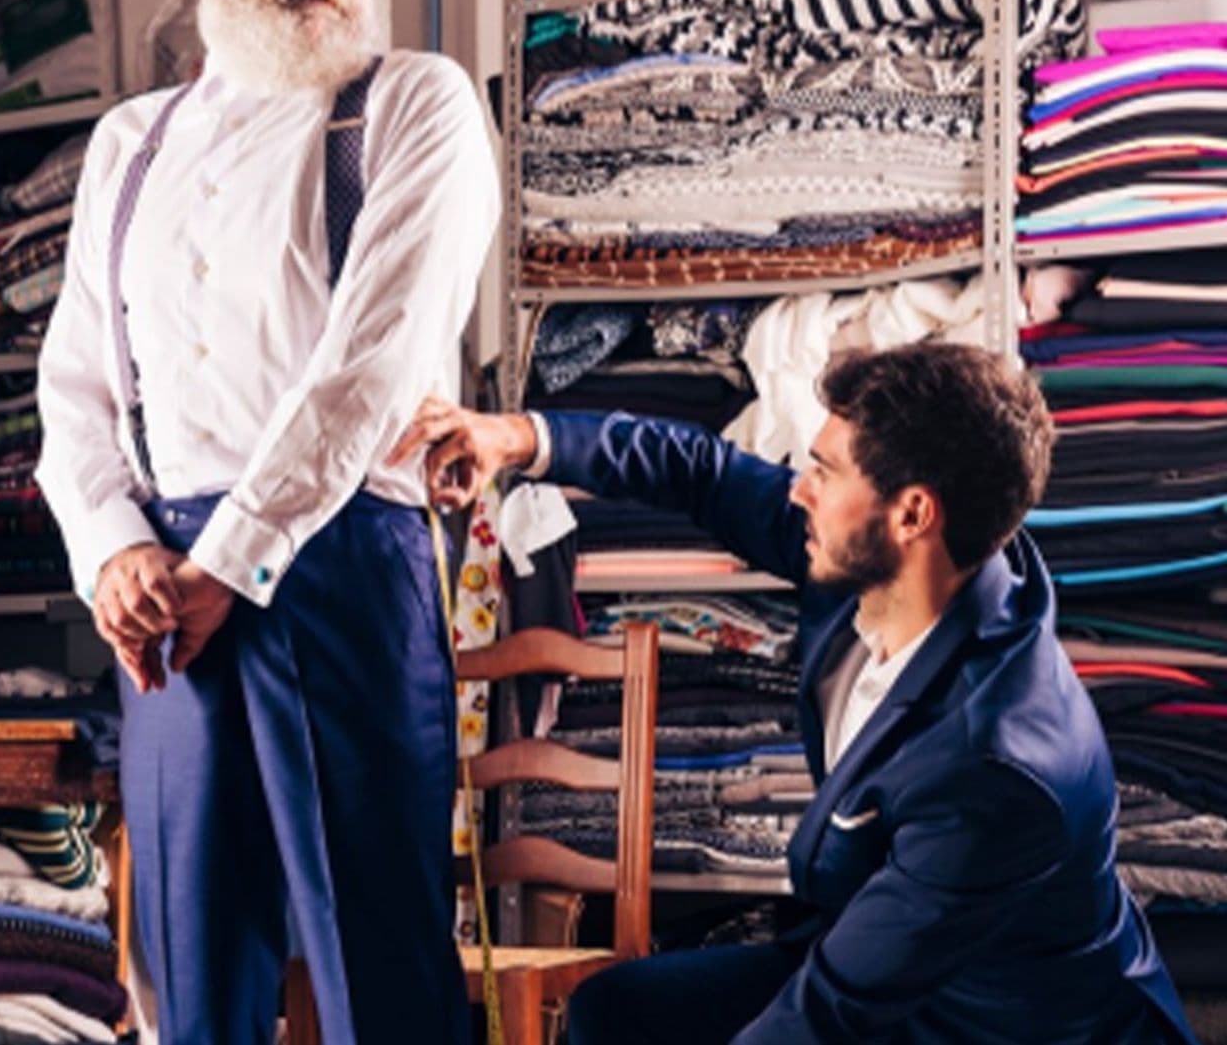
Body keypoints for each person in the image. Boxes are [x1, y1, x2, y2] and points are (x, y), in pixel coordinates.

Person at [35, 0, 498, 1040]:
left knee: (378, 978)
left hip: (338, 565)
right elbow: (75, 378)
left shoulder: (417, 107)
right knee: (187, 980)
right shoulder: (127, 145)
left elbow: (371, 371)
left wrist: (223, 564)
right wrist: (112, 549)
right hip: (163, 598)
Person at [390, 342, 1197, 1045]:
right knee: (618, 1015)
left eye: (824, 469)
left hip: (1006, 1022)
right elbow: (697, 469)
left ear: (913, 511)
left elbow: (834, 1013)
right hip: (883, 960)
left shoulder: (1000, 761)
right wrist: (518, 436)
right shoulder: (884, 561)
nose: (799, 490)